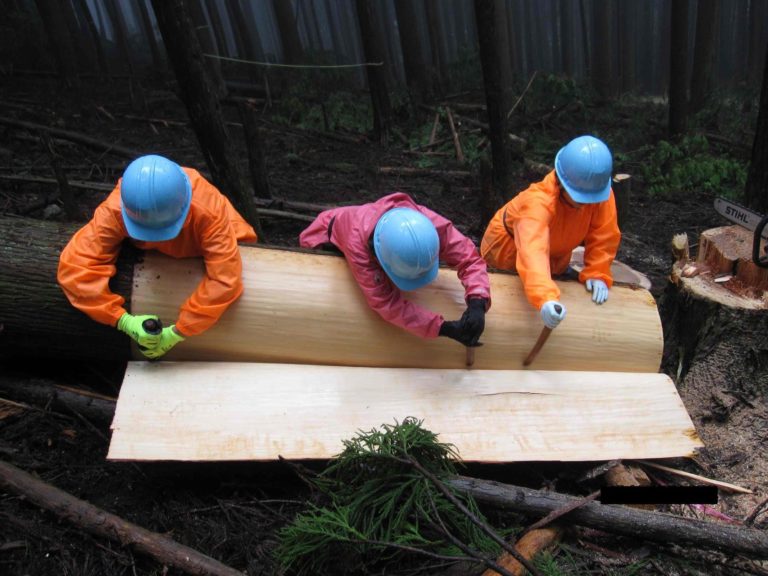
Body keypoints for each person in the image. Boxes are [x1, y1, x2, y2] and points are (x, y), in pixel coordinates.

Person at [58, 154, 258, 358]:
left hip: (212, 242)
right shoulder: (116, 209)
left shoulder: (210, 213)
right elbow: (76, 268)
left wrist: (178, 331)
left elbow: (225, 279)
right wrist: (122, 320)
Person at [299, 192, 491, 346]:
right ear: (378, 256)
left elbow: (469, 257)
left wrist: (478, 302)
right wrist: (443, 328)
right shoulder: (358, 248)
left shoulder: (425, 224)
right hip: (324, 236)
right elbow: (386, 304)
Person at [480, 135, 621, 330]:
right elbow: (533, 251)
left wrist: (597, 272)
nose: (588, 205)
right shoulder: (536, 203)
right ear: (563, 184)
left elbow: (604, 234)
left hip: (555, 255)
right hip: (508, 252)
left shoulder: (597, 192)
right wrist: (544, 298)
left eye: (592, 199)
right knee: (506, 310)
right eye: (581, 200)